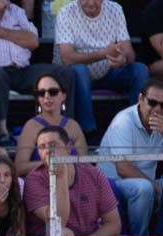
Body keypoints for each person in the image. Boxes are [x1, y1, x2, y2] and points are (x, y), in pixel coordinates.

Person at [0, 0, 74, 146]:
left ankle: (65, 127)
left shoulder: (16, 11)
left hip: (20, 69)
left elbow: (33, 41)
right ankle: (1, 130)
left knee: (63, 73)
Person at [98, 78, 163, 236]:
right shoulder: (124, 121)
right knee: (144, 188)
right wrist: (155, 186)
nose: (157, 109)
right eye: (152, 102)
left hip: (145, 182)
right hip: (112, 183)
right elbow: (122, 168)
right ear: (140, 99)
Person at [54, 0, 149, 141]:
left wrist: (123, 59)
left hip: (109, 71)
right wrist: (103, 54)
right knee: (79, 71)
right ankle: (88, 132)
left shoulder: (115, 9)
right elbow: (67, 58)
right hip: (77, 78)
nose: (90, 2)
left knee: (140, 70)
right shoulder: (66, 12)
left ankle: (138, 129)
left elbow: (129, 53)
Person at [24, 124, 121, 236]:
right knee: (63, 233)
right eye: (42, 147)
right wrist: (60, 176)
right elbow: (58, 223)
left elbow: (114, 224)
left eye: (53, 145)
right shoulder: (34, 179)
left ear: (69, 147)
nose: (47, 151)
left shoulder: (94, 174)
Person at [14, 71, 88, 177]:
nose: (46, 96)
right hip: (41, 183)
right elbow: (18, 168)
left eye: (53, 92)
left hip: (73, 182)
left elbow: (86, 164)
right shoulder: (31, 126)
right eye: (41, 93)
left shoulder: (74, 126)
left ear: (64, 95)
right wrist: (49, 163)